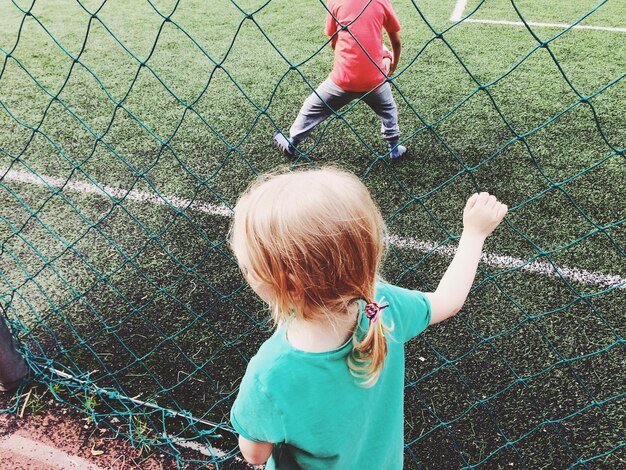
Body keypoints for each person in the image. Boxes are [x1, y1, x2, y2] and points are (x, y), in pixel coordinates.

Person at [229, 167, 508, 468]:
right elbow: (448, 300)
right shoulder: (382, 307)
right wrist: (474, 233)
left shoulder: (270, 374)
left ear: (289, 285)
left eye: (249, 267)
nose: (245, 270)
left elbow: (255, 454)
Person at [274, 0, 406, 160]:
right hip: (375, 81)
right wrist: (393, 65)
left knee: (311, 107)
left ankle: (292, 144)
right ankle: (394, 149)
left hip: (343, 80)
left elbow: (333, 41)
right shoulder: (380, 1)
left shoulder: (335, 1)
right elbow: (397, 43)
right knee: (388, 110)